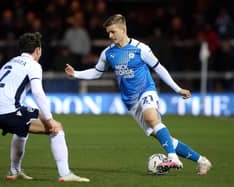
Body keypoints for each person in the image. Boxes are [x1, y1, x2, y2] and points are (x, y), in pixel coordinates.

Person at [65, 14, 212, 175]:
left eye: (113, 32)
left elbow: (159, 68)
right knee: (163, 137)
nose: (110, 36)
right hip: (131, 102)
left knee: (151, 118)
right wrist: (76, 74)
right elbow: (97, 72)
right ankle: (202, 161)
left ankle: (173, 158)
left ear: (123, 29)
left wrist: (177, 89)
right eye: (108, 33)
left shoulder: (141, 49)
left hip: (146, 90)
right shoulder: (108, 53)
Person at [0, 32, 90, 182]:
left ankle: (15, 171)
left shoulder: (10, 63)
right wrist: (50, 120)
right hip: (10, 112)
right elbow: (38, 92)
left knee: (30, 121)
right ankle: (65, 173)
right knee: (57, 129)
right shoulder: (33, 65)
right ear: (38, 50)